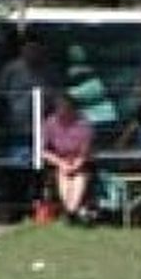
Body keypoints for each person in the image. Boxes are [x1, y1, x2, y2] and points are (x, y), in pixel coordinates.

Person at [41, 92, 95, 223]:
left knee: (78, 176)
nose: (62, 111)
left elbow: (86, 150)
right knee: (63, 175)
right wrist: (60, 163)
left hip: (81, 161)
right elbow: (42, 150)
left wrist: (77, 163)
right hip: (60, 161)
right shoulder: (50, 123)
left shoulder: (84, 124)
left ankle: (71, 210)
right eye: (59, 108)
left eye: (65, 108)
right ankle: (72, 210)